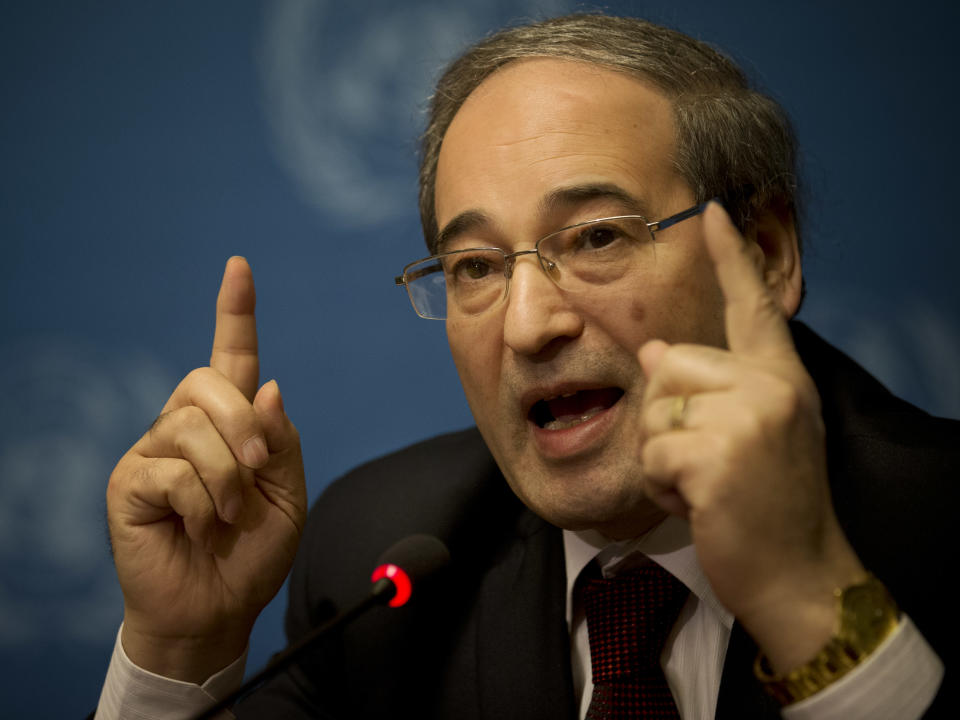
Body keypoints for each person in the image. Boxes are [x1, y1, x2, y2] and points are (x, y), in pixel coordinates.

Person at [95, 13, 955, 719]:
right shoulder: (378, 563)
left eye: (596, 239)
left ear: (765, 254)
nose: (527, 324)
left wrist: (815, 611)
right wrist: (180, 652)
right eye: (475, 266)